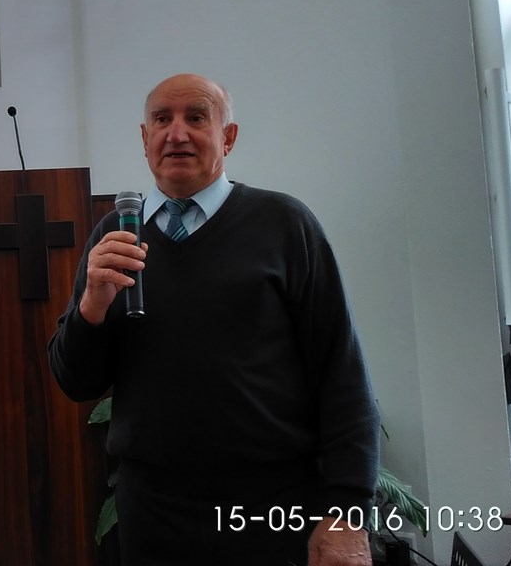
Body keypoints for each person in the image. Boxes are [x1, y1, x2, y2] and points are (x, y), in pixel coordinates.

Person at [47, 73, 380, 566]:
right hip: (153, 511)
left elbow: (341, 373)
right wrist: (91, 307)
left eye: (196, 118)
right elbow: (77, 381)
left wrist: (347, 514)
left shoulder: (284, 224)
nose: (176, 133)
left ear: (228, 137)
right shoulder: (114, 236)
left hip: (271, 504)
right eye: (162, 119)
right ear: (144, 138)